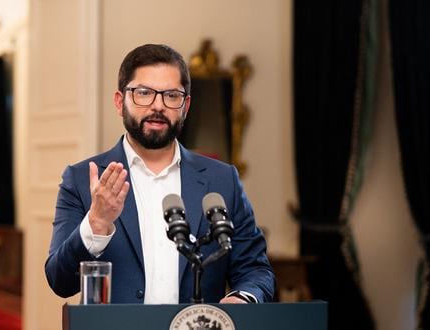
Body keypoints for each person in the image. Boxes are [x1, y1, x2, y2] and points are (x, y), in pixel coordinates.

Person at [45, 44, 274, 304]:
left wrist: (242, 298)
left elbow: (255, 270)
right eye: (143, 93)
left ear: (185, 105)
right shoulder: (82, 180)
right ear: (120, 102)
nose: (158, 106)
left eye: (172, 95)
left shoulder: (223, 180)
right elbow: (59, 281)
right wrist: (95, 224)